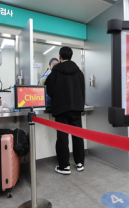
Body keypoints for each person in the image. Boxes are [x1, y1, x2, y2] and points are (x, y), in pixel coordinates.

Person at [45, 47, 85, 175]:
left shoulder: (54, 73)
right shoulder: (79, 72)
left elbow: (49, 91)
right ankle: (79, 163)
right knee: (78, 135)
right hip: (77, 109)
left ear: (60, 57)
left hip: (61, 109)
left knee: (62, 137)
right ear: (71, 57)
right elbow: (82, 90)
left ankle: (64, 166)